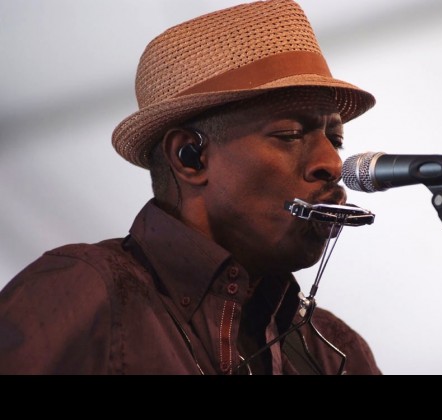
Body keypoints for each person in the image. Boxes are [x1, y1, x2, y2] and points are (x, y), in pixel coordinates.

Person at [0, 0, 381, 375]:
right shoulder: (85, 292)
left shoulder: (336, 351)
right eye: (289, 135)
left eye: (336, 139)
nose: (332, 164)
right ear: (189, 157)